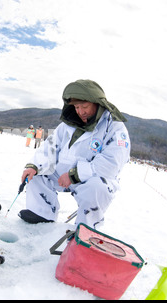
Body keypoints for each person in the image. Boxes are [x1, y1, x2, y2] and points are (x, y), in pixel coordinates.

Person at [18, 79, 130, 229]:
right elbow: (50, 147)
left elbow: (112, 163)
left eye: (85, 106)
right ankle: (42, 214)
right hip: (62, 174)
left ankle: (86, 228)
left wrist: (74, 175)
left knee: (97, 188)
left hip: (91, 178)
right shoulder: (67, 125)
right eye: (77, 107)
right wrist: (34, 166)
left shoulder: (114, 126)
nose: (80, 111)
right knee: (36, 174)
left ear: (98, 103)